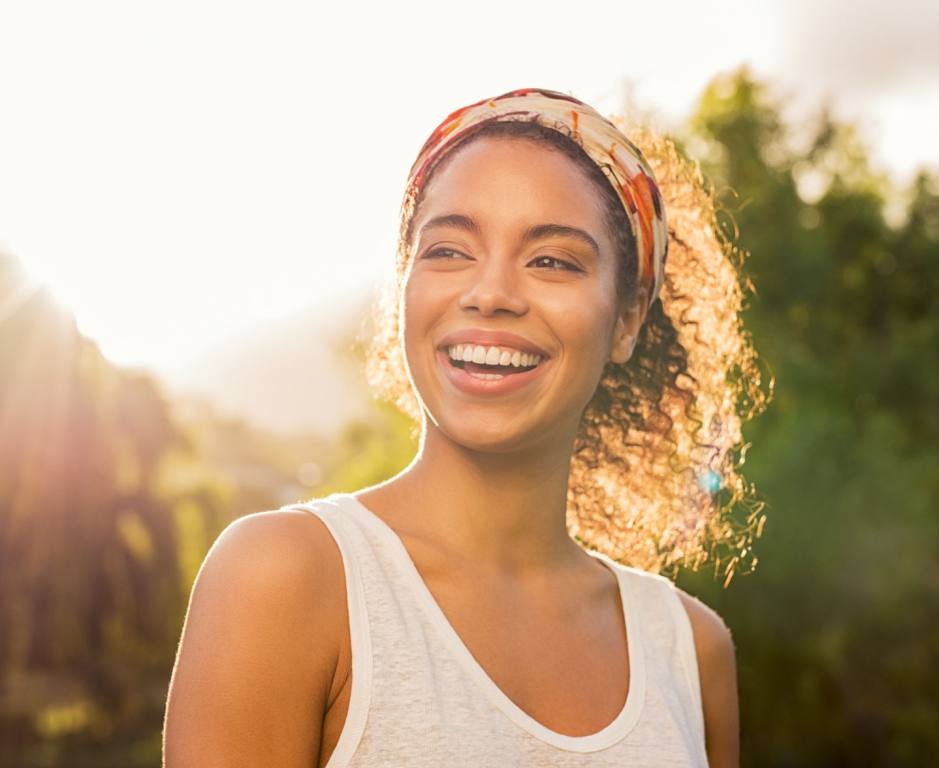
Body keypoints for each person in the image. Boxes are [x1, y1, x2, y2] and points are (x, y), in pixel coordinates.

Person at [164, 87, 766, 767]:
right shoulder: (284, 579)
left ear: (626, 319)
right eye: (449, 251)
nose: (490, 294)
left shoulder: (690, 650)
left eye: (552, 260)